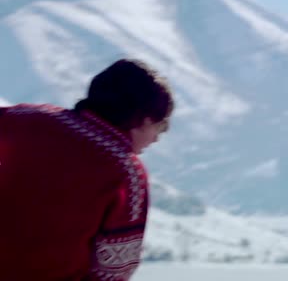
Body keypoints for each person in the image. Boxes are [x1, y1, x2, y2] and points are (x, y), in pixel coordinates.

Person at [0, 59, 174, 280]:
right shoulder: (126, 171)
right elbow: (113, 272)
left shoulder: (23, 117)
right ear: (145, 120)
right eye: (162, 126)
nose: (157, 138)